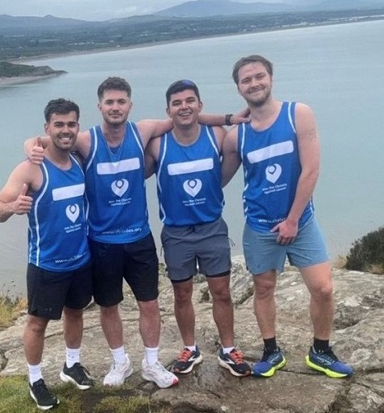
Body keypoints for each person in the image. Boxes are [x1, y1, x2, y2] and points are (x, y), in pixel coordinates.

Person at [26, 77, 245, 389]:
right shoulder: (86, 141)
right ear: (100, 106)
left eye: (121, 101)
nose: (116, 107)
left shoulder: (142, 131)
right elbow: (46, 139)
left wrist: (227, 120)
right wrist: (31, 146)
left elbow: (184, 117)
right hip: (101, 242)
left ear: (130, 105)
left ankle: (152, 363)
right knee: (108, 306)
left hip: (139, 238)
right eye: (110, 102)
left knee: (149, 304)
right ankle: (120, 361)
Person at [221, 55, 354, 378]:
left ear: (270, 77)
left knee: (322, 288)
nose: (254, 83)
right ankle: (271, 351)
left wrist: (293, 218)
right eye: (246, 80)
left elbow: (311, 170)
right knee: (264, 288)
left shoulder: (299, 114)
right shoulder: (236, 136)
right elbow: (219, 180)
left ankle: (320, 351)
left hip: (301, 221)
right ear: (238, 88)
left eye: (259, 76)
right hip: (259, 224)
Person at [0, 98, 94, 410]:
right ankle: (35, 379)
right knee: (37, 324)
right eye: (58, 125)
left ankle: (71, 365)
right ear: (47, 128)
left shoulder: (77, 158)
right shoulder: (30, 168)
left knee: (75, 312)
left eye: (71, 124)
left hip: (80, 259)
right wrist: (11, 207)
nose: (66, 130)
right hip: (46, 263)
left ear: (77, 126)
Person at [144, 79, 252, 377]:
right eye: (177, 103)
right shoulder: (157, 143)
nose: (184, 106)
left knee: (222, 292)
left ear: (200, 105)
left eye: (190, 100)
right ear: (168, 110)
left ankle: (229, 350)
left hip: (212, 228)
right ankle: (189, 348)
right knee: (182, 294)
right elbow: (131, 164)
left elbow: (235, 158)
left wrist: (232, 119)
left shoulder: (216, 135)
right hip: (176, 233)